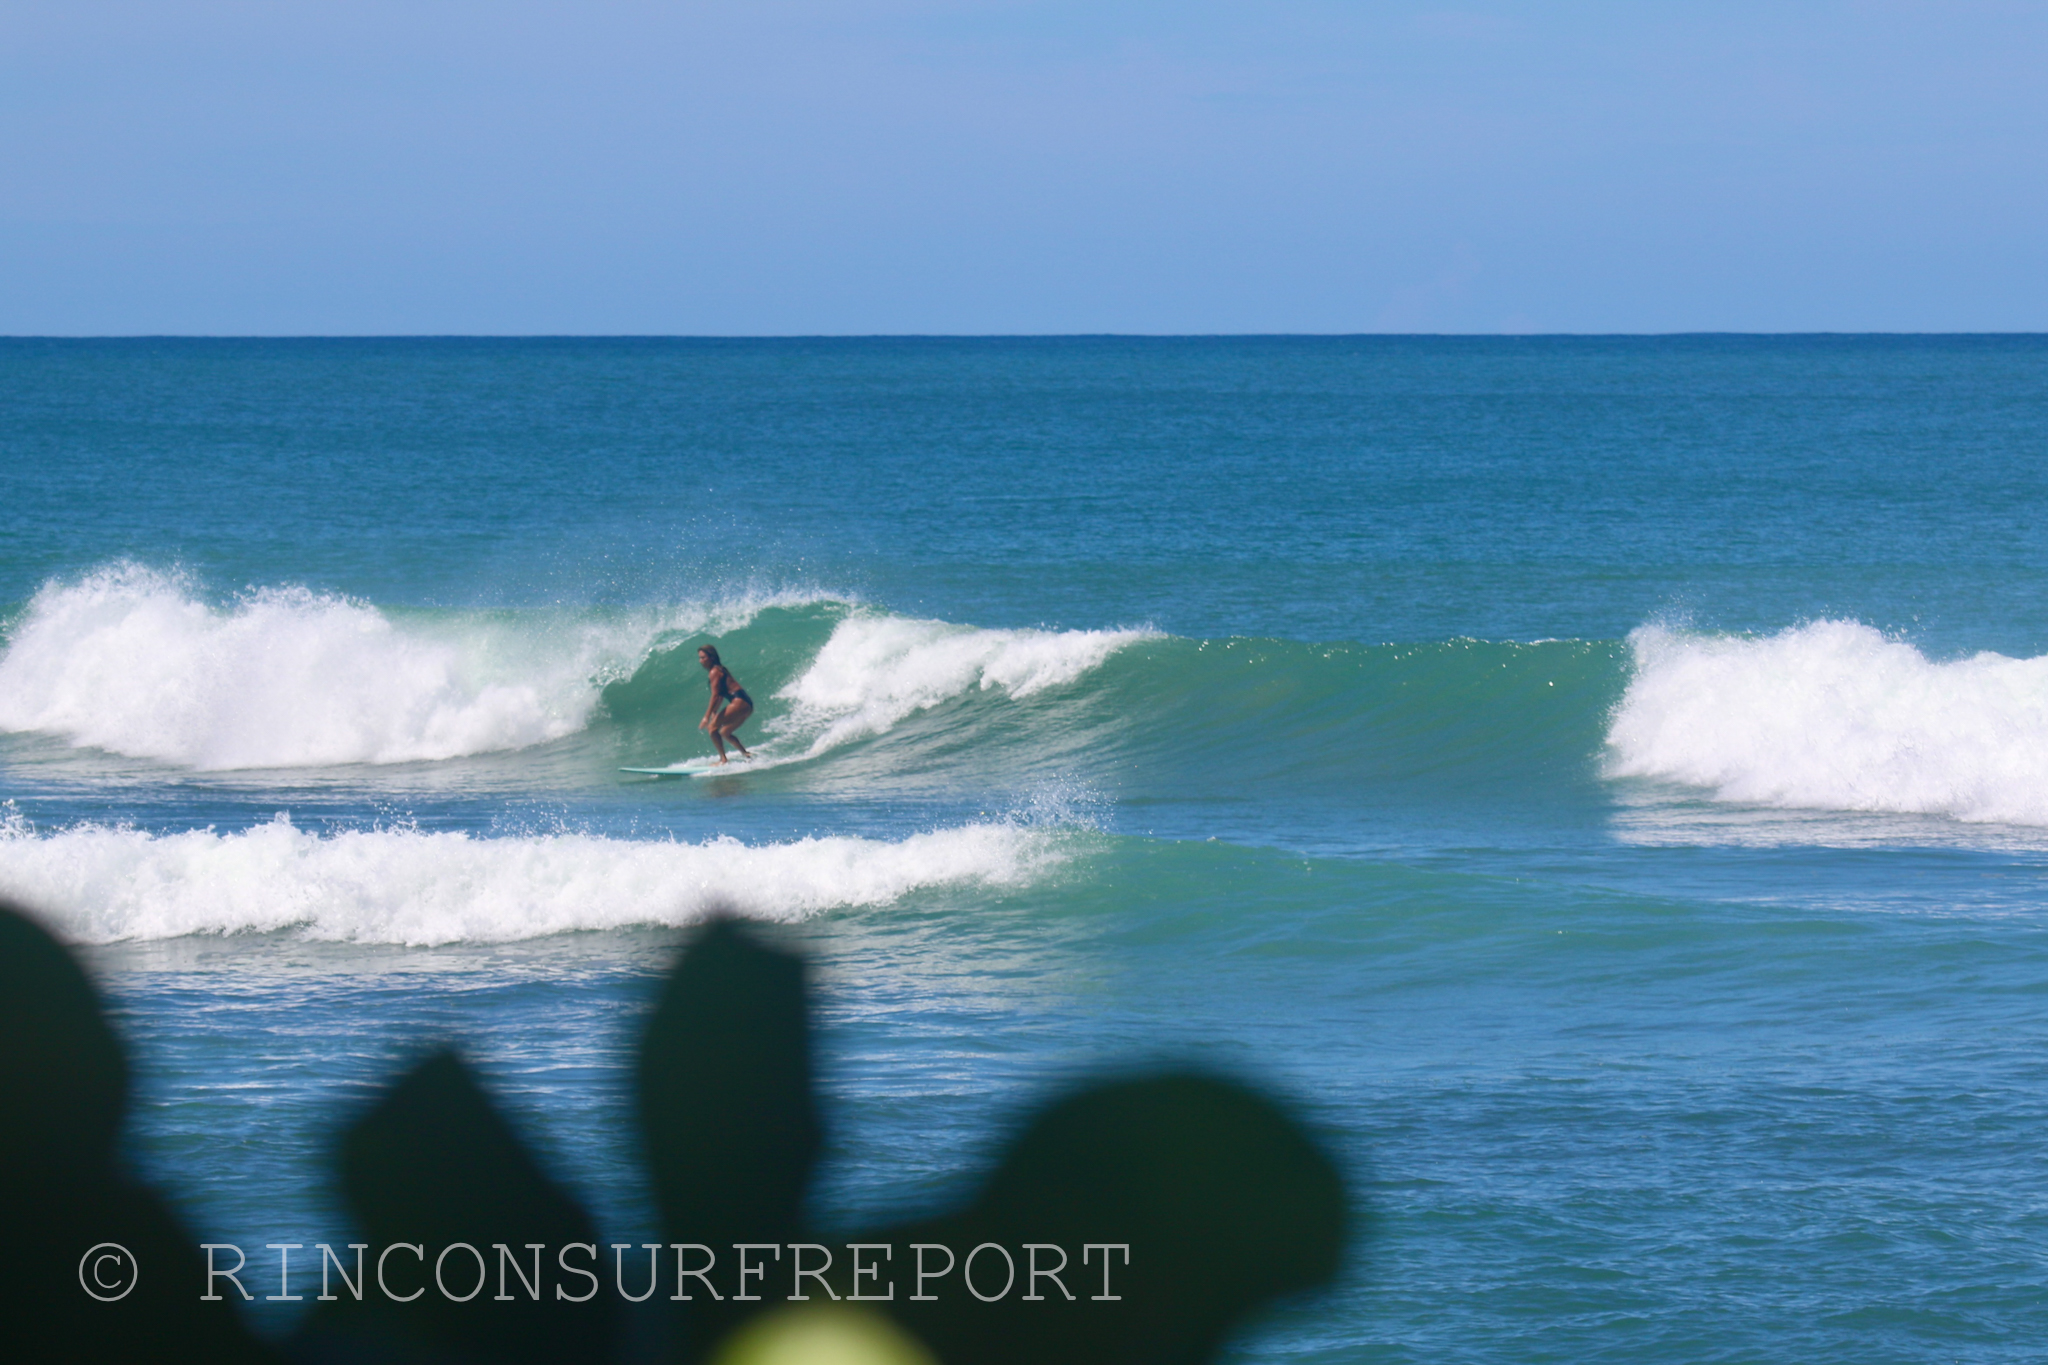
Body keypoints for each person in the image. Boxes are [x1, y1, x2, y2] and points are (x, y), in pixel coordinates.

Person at [696, 645, 753, 763]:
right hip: (746, 703)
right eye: (700, 658)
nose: (700, 661)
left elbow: (715, 695)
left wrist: (706, 717)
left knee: (712, 728)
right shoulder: (720, 669)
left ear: (711, 657)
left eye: (703, 658)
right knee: (724, 732)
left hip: (739, 702)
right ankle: (746, 754)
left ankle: (723, 760)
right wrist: (714, 711)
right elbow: (721, 695)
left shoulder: (714, 672)